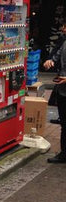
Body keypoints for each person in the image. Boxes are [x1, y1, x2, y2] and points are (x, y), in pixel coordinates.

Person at [43, 23, 66, 163]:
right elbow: (56, 57)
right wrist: (49, 61)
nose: (63, 29)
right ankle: (64, 154)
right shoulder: (64, 42)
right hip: (63, 90)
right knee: (64, 123)